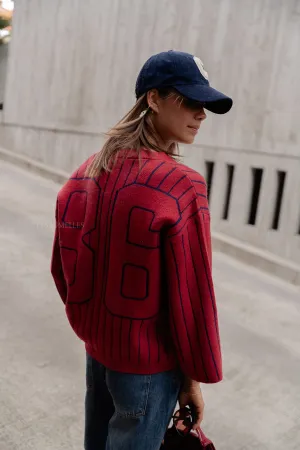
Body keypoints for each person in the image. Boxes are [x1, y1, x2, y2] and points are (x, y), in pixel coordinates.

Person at [51, 50, 232, 450]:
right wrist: (193, 379)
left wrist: (93, 328)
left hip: (98, 357)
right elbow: (192, 297)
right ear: (153, 99)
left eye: (204, 105)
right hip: (149, 370)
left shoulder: (86, 174)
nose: (201, 114)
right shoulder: (181, 186)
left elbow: (63, 270)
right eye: (189, 101)